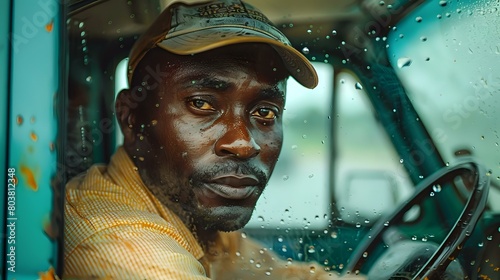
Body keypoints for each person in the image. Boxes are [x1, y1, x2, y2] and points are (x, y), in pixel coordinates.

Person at [64, 0, 363, 279]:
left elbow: (278, 274)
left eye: (264, 111)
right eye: (202, 104)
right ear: (131, 118)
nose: (245, 144)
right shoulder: (125, 247)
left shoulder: (192, 215)